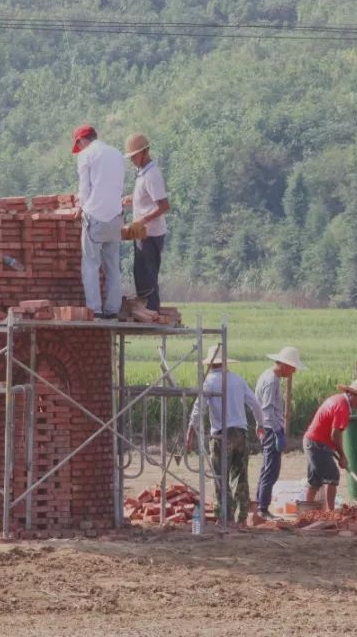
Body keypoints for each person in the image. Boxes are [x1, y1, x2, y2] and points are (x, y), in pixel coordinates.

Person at [185, 345, 263, 524]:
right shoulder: (238, 380)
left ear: (210, 364)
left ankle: (224, 516)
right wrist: (260, 425)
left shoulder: (209, 382)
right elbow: (255, 405)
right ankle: (242, 518)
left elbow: (199, 408)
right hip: (241, 434)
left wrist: (190, 429)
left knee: (220, 476)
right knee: (240, 475)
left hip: (221, 436)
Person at [72, 125, 125, 319]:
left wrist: (80, 207)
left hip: (94, 216)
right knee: (112, 266)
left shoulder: (86, 155)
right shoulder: (117, 154)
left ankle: (95, 309)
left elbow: (84, 188)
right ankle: (113, 309)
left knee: (91, 264)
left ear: (81, 141)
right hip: (116, 216)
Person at [302, 379, 357, 511]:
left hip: (313, 442)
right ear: (353, 395)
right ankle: (330, 512)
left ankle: (307, 512)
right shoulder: (343, 407)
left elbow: (333, 434)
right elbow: (335, 435)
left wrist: (337, 452)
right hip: (317, 443)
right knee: (332, 476)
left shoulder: (337, 399)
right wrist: (342, 456)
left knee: (315, 480)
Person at [254, 346, 307, 519]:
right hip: (271, 429)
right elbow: (267, 408)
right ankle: (262, 508)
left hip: (267, 427)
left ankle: (259, 506)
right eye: (292, 368)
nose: (293, 372)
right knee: (271, 470)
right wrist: (277, 432)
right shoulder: (272, 380)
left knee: (266, 469)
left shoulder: (266, 376)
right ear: (284, 365)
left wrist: (259, 424)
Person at [121, 133, 170, 311]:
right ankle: (146, 308)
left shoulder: (152, 175)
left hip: (151, 234)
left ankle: (152, 311)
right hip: (141, 232)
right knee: (139, 274)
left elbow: (164, 205)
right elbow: (146, 197)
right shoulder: (142, 173)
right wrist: (132, 199)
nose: (132, 160)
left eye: (134, 156)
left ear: (144, 152)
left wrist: (143, 220)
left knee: (148, 277)